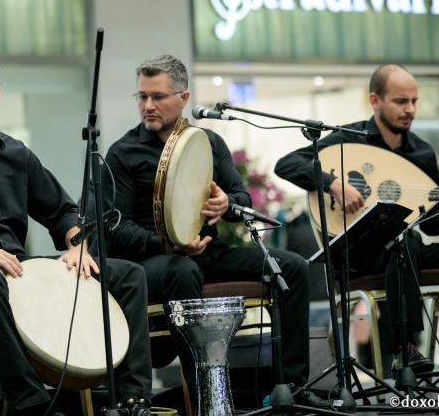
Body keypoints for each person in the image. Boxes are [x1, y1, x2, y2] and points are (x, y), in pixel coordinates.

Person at [0, 46, 153, 416]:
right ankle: (33, 406)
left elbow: (63, 212)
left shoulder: (17, 154)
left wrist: (77, 244)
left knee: (127, 275)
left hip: (16, 270)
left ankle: (133, 401)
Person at [101, 54, 324, 407]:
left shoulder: (207, 142)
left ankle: (292, 388)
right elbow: (115, 226)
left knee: (292, 267)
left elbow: (240, 199)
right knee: (183, 269)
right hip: (155, 262)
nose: (147, 105)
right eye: (142, 97)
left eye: (157, 96)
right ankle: (203, 394)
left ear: (183, 98)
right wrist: (168, 243)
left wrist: (227, 205)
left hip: (210, 254)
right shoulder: (123, 154)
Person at [275, 64, 439, 387]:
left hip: (409, 254)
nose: (409, 109)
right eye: (400, 101)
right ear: (375, 100)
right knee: (401, 237)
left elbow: (431, 224)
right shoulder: (347, 139)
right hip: (359, 256)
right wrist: (332, 183)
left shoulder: (421, 152)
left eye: (414, 101)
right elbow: (286, 165)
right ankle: (404, 348)